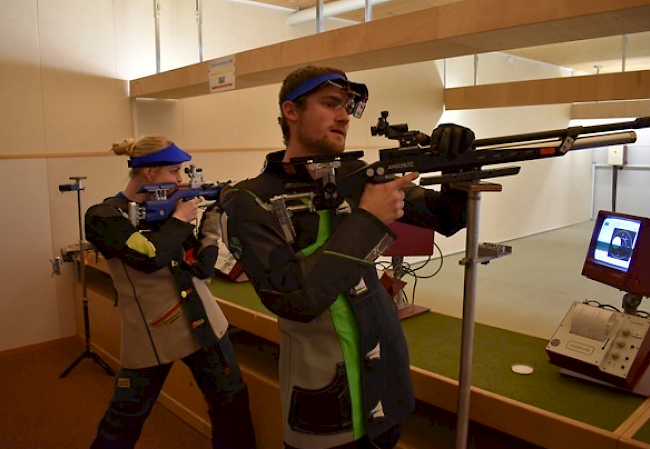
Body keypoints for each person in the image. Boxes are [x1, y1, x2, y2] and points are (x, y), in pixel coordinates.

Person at [220, 66, 474, 449]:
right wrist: (369, 218)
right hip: (325, 402)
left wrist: (460, 166)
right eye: (330, 104)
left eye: (347, 107)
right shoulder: (249, 201)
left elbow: (450, 218)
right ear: (292, 111)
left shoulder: (356, 176)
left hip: (387, 390)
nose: (344, 117)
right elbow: (296, 300)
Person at [84, 136, 256, 449]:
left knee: (232, 405)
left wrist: (212, 220)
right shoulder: (104, 217)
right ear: (149, 173)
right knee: (123, 421)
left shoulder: (164, 213)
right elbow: (148, 257)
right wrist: (179, 219)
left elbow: (201, 269)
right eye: (174, 171)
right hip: (152, 333)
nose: (181, 180)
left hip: (204, 325)